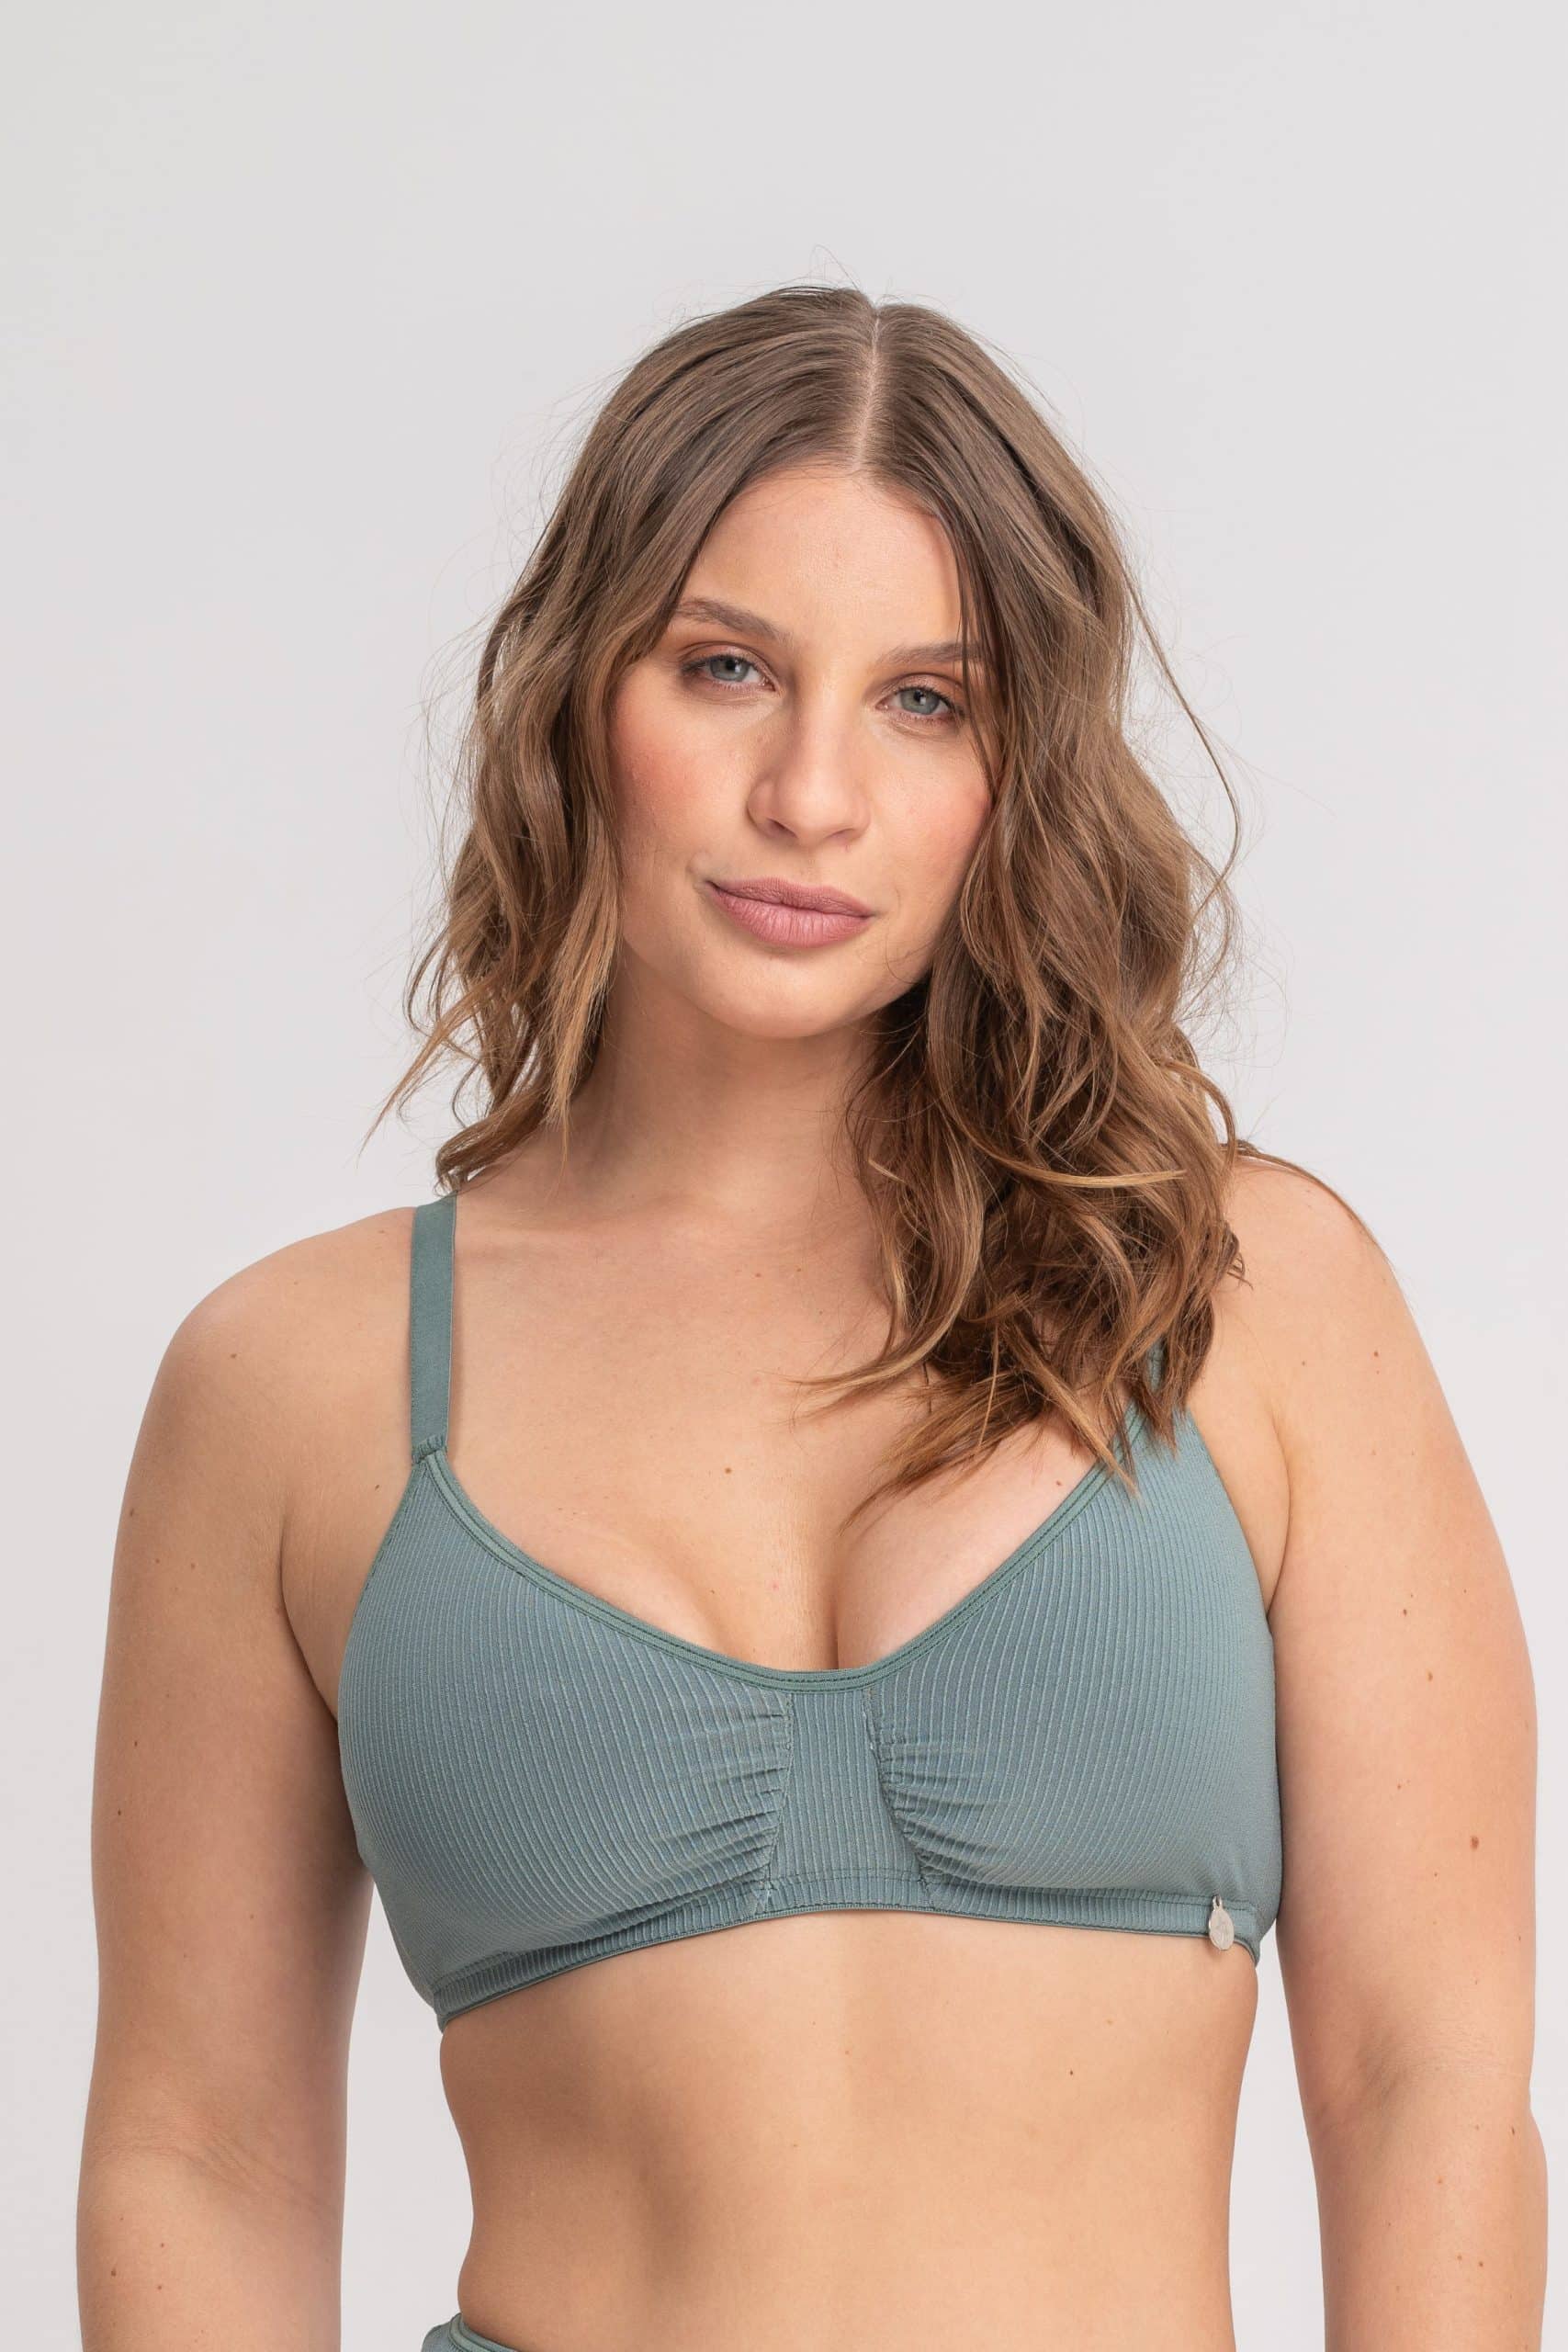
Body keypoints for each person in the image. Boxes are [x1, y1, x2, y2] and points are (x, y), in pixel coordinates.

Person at [76, 283, 1546, 2352]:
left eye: (923, 700)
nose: (810, 793)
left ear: (1016, 768)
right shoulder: (292, 1383)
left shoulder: (1234, 1291)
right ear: (577, 696)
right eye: (727, 668)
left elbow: (1423, 2083)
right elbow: (202, 2145)